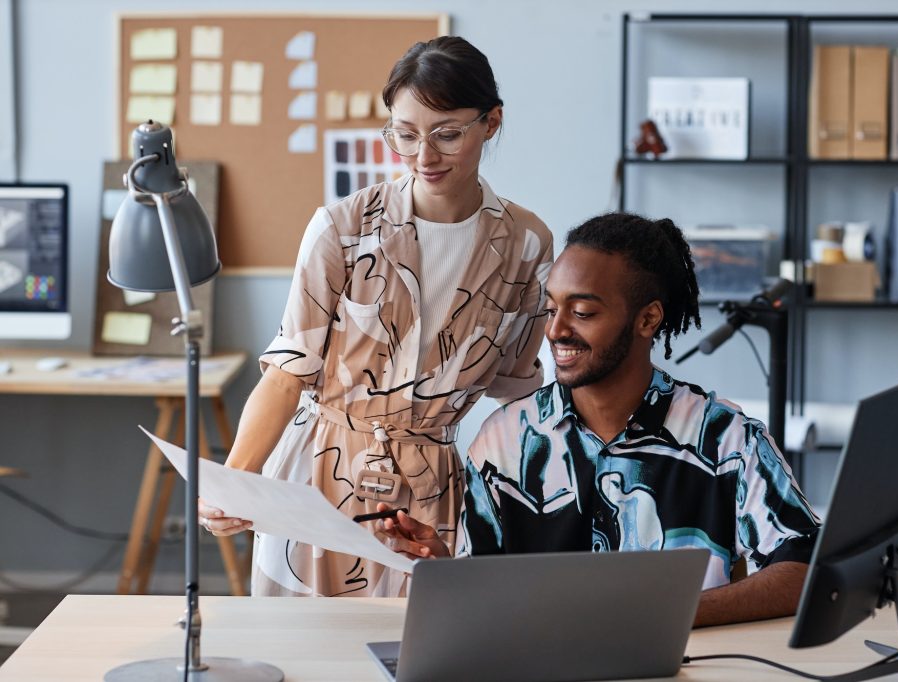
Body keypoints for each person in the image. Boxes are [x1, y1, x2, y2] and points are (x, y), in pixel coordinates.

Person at [199, 36, 553, 597]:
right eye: (405, 134)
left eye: (447, 134)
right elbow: (288, 371)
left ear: (491, 123)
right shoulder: (342, 228)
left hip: (428, 490)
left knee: (413, 652)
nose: (424, 156)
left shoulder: (527, 245)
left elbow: (516, 390)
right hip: (317, 473)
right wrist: (236, 481)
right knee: (301, 656)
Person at [377, 212, 821, 627]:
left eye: (583, 312)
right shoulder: (503, 444)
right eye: (552, 309)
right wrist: (445, 571)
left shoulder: (726, 438)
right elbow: (486, 601)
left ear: (648, 318)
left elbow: (805, 571)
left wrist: (664, 615)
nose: (555, 330)